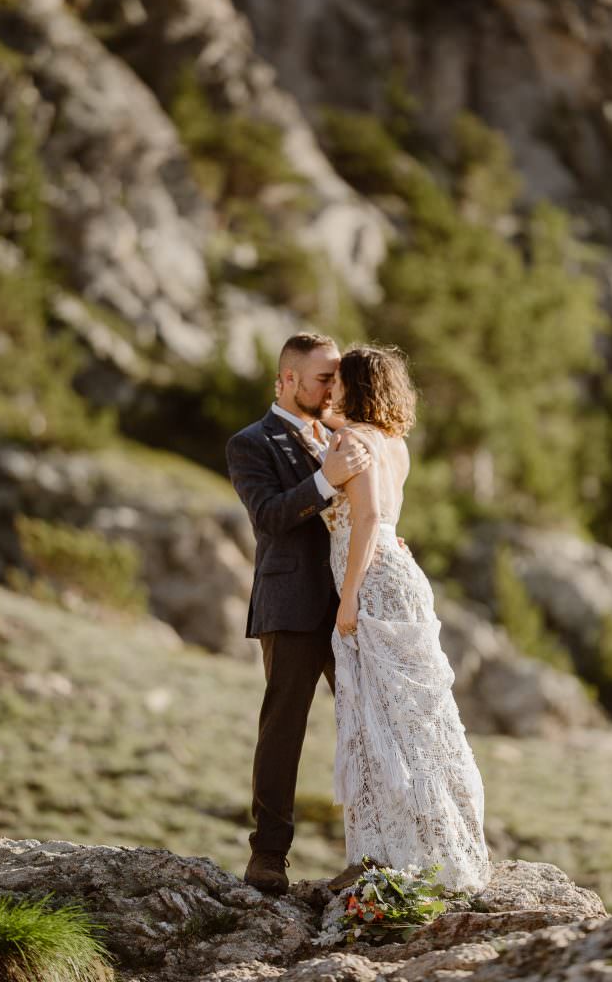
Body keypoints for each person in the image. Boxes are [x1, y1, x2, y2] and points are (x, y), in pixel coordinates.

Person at [322, 344, 491, 893]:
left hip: (372, 583)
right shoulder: (392, 442)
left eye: (338, 380)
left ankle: (385, 854)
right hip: (402, 575)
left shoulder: (352, 442)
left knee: (377, 715)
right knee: (415, 716)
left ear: (354, 386)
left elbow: (369, 517)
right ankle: (434, 847)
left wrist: (348, 596)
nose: (331, 389)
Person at [225, 332, 372, 895]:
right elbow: (268, 516)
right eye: (323, 379)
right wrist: (324, 480)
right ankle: (268, 855)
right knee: (283, 728)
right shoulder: (251, 443)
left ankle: (375, 849)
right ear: (287, 379)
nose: (333, 389)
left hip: (351, 606)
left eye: (337, 378)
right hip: (290, 604)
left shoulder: (341, 436)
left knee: (367, 727)